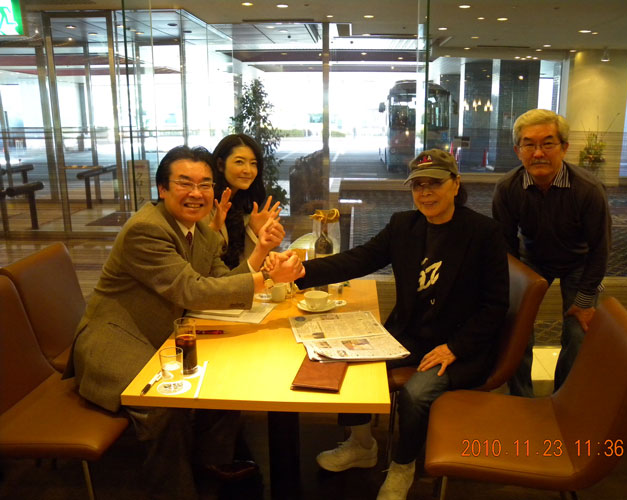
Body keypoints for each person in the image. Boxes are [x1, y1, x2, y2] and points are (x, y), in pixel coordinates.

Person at [64, 145, 303, 500]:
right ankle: (175, 489)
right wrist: (266, 279)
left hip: (165, 334)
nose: (196, 193)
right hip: (114, 338)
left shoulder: (201, 230)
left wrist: (263, 259)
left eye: (205, 184)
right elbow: (191, 290)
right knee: (165, 405)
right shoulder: (146, 229)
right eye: (185, 183)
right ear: (162, 189)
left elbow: (220, 281)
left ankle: (211, 461)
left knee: (226, 371)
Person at [293, 150, 509, 500]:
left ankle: (402, 466)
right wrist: (301, 272)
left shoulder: (484, 234)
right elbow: (359, 259)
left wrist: (455, 348)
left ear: (455, 185)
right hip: (409, 335)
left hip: (458, 345)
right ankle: (362, 445)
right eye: (418, 185)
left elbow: (495, 306)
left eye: (434, 183)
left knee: (416, 394)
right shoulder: (403, 226)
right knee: (345, 363)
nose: (425, 192)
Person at [492, 108, 611, 397]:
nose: (538, 153)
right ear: (518, 151)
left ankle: (563, 399)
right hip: (531, 259)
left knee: (579, 330)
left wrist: (585, 300)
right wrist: (511, 292)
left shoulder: (588, 190)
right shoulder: (507, 188)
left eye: (547, 144)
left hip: (580, 262)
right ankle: (522, 397)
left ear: (564, 148)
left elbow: (601, 249)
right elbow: (505, 247)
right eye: (529, 145)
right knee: (516, 328)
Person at [210, 133, 282, 269]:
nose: (248, 170)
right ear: (220, 165)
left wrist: (253, 231)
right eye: (239, 162)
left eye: (253, 163)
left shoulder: (243, 204)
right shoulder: (207, 204)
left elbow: (244, 267)